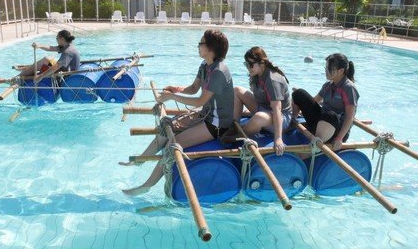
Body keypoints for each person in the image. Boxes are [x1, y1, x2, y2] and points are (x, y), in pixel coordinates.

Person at [121, 29, 234, 196]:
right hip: (205, 114)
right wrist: (176, 89)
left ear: (210, 48)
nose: (198, 46)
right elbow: (193, 89)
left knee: (172, 145)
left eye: (200, 43)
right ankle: (141, 160)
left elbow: (200, 101)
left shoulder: (218, 72)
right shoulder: (205, 66)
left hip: (216, 124)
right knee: (167, 129)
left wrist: (171, 97)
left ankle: (147, 185)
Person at [221, 47, 292, 156]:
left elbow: (277, 109)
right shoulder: (258, 74)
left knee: (259, 117)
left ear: (262, 63)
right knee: (237, 90)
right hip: (264, 109)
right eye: (246, 64)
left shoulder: (273, 80)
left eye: (250, 64)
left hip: (281, 117)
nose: (248, 68)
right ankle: (233, 126)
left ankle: (238, 135)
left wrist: (278, 138)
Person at [292, 53, 359, 151]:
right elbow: (314, 101)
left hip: (336, 130)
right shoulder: (328, 85)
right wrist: (301, 101)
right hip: (321, 123)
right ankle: (292, 121)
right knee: (299, 93)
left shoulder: (349, 88)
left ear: (341, 71)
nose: (326, 71)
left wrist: (339, 138)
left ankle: (316, 146)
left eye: (329, 69)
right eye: (326, 68)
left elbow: (350, 117)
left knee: (329, 115)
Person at [15, 29, 80, 83]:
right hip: (64, 70)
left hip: (65, 76)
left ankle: (15, 79)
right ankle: (26, 71)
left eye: (57, 38)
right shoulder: (67, 46)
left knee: (40, 63)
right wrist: (39, 46)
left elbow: (56, 67)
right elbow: (51, 48)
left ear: (62, 39)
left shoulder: (68, 51)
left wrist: (41, 76)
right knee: (45, 60)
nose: (56, 39)